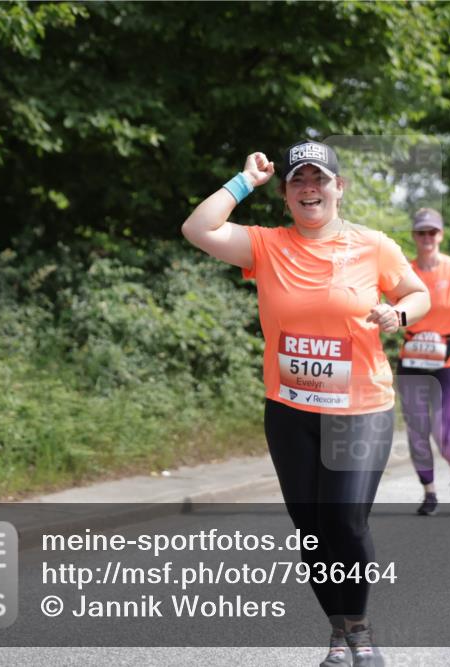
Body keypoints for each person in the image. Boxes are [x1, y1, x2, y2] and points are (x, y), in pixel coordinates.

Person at [181, 140, 430, 666]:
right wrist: (245, 181)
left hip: (360, 407)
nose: (309, 188)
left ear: (339, 188)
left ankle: (360, 630)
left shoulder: (373, 245)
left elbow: (417, 293)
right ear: (287, 194)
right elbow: (198, 229)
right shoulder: (267, 245)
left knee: (344, 521)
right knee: (312, 532)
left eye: (320, 179)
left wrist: (399, 315)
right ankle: (338, 633)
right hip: (290, 410)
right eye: (299, 181)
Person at [397, 208, 450, 516]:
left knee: (446, 434)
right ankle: (429, 492)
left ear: (441, 235)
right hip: (414, 357)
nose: (427, 238)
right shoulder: (403, 271)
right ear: (414, 236)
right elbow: (390, 311)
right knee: (417, 428)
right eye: (421, 233)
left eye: (432, 232)